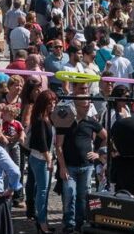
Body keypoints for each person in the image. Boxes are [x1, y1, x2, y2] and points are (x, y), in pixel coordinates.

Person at [56, 97, 105, 233]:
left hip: (87, 166)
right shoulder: (65, 121)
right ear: (76, 106)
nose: (87, 108)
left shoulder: (91, 121)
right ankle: (69, 223)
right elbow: (58, 145)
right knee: (69, 194)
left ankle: (80, 222)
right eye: (84, 106)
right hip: (69, 166)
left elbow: (105, 136)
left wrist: (97, 153)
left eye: (88, 105)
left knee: (83, 196)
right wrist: (62, 166)